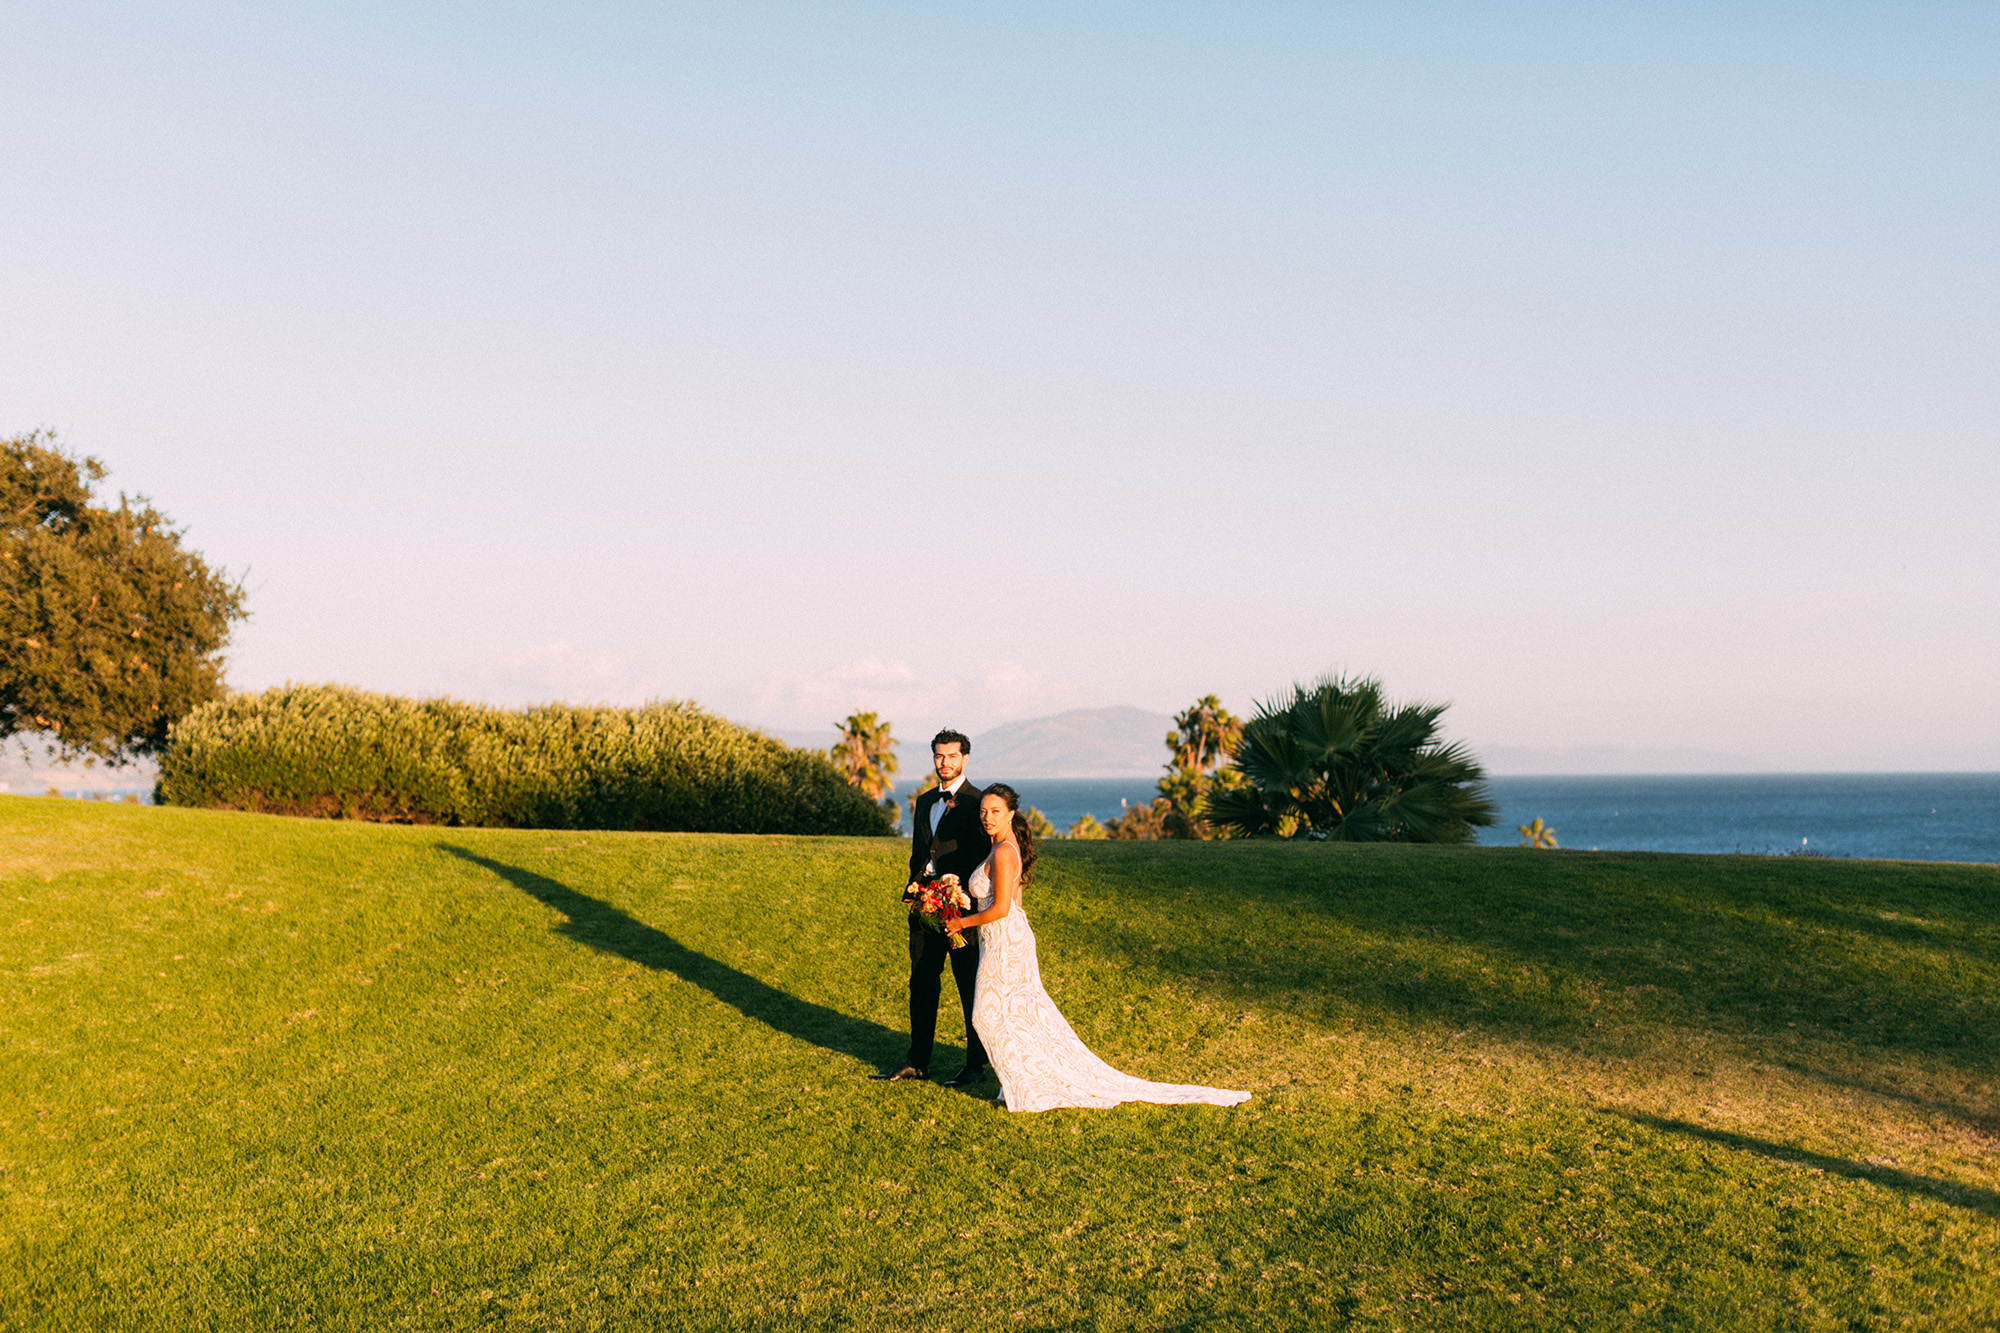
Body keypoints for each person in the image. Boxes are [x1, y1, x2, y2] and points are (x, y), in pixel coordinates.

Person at [955, 783, 1252, 1113]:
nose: (987, 817)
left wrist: (962, 923)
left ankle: (1027, 1087)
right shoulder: (1000, 848)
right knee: (1012, 1015)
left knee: (986, 1014)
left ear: (1010, 813)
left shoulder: (1005, 852)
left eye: (995, 811)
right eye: (983, 811)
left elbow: (1004, 909)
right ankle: (1021, 1083)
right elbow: (1014, 901)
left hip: (1005, 941)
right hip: (1002, 939)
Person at [871, 729, 993, 1086]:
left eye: (952, 756)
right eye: (939, 756)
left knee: (968, 986)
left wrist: (960, 895)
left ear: (965, 759)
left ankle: (975, 1065)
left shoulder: (977, 802)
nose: (945, 762)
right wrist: (915, 889)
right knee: (922, 982)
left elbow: (983, 857)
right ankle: (917, 1060)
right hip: (923, 910)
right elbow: (920, 852)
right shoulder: (924, 801)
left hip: (960, 910)